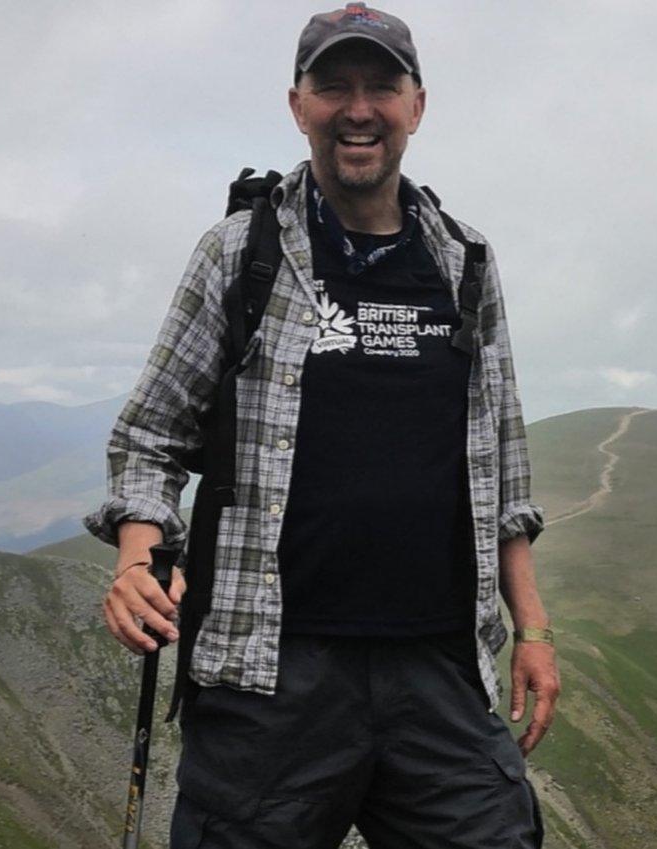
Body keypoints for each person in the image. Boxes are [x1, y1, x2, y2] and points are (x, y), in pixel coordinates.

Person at [83, 4, 560, 847]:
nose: (359, 107)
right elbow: (151, 436)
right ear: (298, 105)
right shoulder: (240, 252)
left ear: (417, 106)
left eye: (381, 85)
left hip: (440, 667)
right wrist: (134, 560)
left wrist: (533, 630)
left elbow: (502, 469)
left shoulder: (464, 261)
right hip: (269, 675)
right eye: (333, 85)